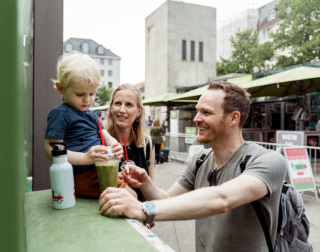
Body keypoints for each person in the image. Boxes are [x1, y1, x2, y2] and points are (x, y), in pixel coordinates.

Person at [99, 81, 287, 251]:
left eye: (206, 112)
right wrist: (145, 182)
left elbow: (222, 199)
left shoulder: (268, 160)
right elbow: (166, 199)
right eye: (197, 111)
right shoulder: (200, 159)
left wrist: (143, 209)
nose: (196, 118)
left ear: (233, 118)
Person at [44, 51, 123, 198]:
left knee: (130, 190)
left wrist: (115, 145)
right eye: (80, 94)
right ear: (61, 88)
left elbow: (106, 136)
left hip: (101, 171)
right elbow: (50, 149)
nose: (87, 100)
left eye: (92, 94)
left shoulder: (91, 115)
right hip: (81, 177)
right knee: (125, 194)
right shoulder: (60, 114)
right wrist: (84, 158)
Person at [105, 84, 155, 202]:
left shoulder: (147, 144)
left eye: (129, 105)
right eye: (117, 103)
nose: (122, 110)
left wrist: (150, 214)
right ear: (111, 107)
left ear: (139, 111)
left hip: (139, 215)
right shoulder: (99, 142)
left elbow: (151, 189)